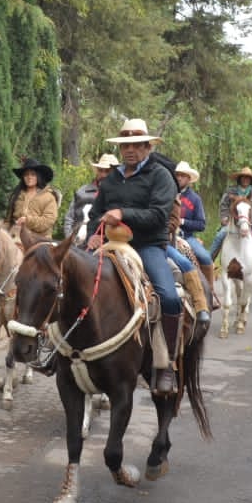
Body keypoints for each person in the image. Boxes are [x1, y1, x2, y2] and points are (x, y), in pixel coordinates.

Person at [86, 119, 183, 397]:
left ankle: (166, 365)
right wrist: (95, 233)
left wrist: (123, 213)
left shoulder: (160, 176)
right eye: (125, 145)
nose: (129, 150)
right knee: (68, 277)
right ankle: (62, 348)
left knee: (168, 296)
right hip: (109, 244)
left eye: (136, 145)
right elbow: (96, 212)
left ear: (147, 146)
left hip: (147, 246)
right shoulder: (112, 178)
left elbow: (159, 216)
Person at [171, 160, 214, 331]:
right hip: (167, 235)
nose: (180, 178)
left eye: (183, 176)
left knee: (205, 257)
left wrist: (183, 221)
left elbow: (201, 224)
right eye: (178, 175)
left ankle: (209, 293)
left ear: (189, 179)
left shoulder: (194, 199)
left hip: (186, 236)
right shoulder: (166, 191)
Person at [210, 166, 252, 272]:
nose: (245, 179)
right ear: (239, 178)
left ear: (251, 180)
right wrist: (224, 217)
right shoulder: (230, 190)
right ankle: (209, 262)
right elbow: (223, 205)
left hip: (250, 221)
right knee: (219, 236)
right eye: (243, 177)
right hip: (232, 221)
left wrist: (249, 217)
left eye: (248, 178)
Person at [4, 157, 61, 238]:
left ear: (38, 176)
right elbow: (8, 221)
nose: (29, 177)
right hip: (15, 236)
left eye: (33, 174)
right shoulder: (16, 195)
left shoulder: (49, 197)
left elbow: (48, 221)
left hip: (40, 240)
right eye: (26, 174)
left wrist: (27, 221)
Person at [65, 153, 118, 240]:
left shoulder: (120, 193)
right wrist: (70, 239)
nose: (103, 175)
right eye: (101, 170)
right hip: (77, 241)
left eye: (107, 171)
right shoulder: (82, 191)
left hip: (105, 242)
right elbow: (70, 217)